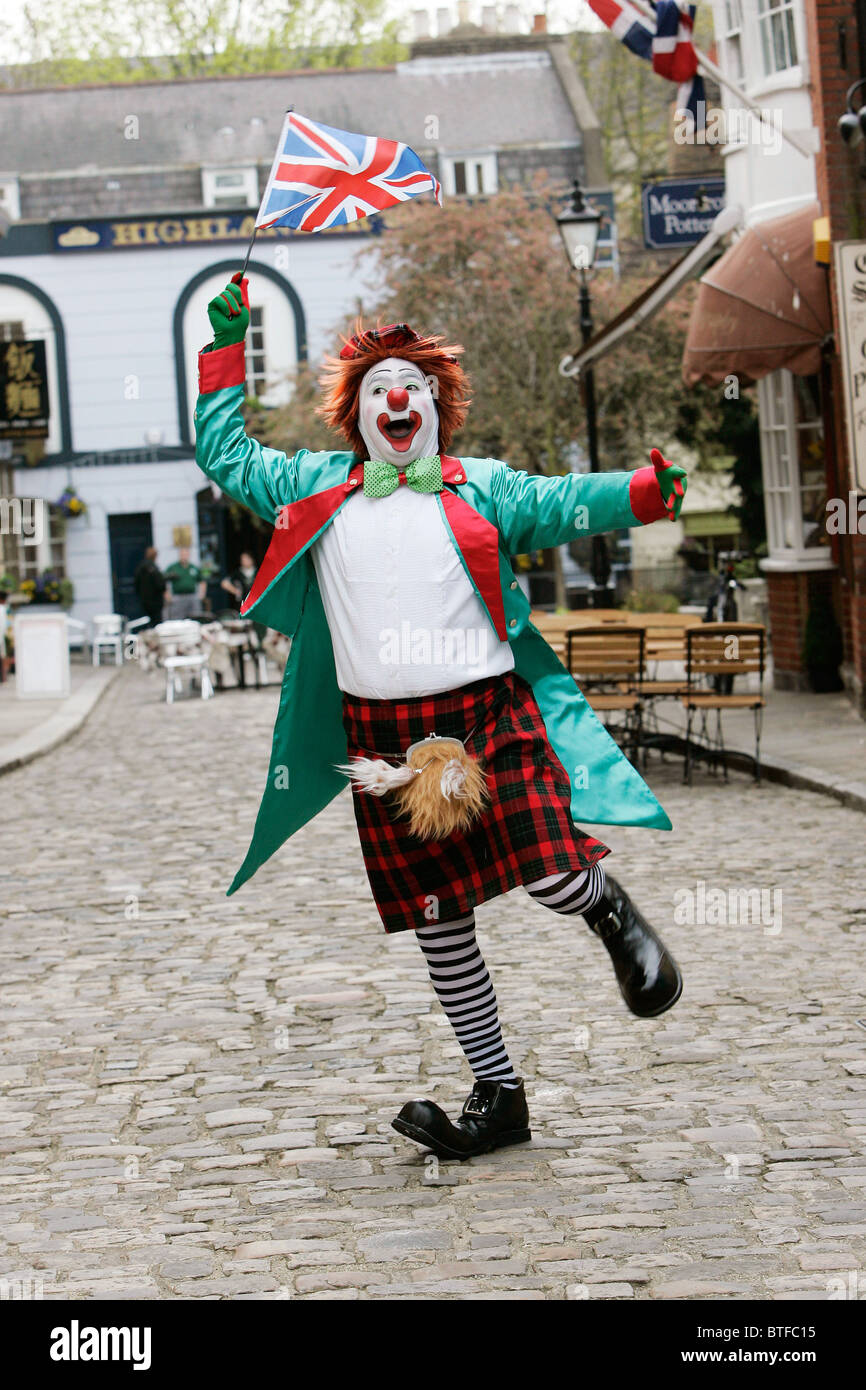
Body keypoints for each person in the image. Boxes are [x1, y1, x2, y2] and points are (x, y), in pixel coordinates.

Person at [195, 275, 688, 1161]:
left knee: (550, 873)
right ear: (357, 412)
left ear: (435, 405)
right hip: (384, 747)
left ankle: (612, 915)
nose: (397, 399)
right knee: (438, 922)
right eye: (381, 388)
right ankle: (498, 1096)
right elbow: (225, 454)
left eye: (412, 387)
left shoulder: (482, 485)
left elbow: (566, 498)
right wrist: (224, 347)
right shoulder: (313, 485)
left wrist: (647, 492)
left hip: (487, 719)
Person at [164, 547, 205, 620]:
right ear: (179, 555)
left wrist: (201, 594)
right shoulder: (173, 567)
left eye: (186, 554)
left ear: (189, 555)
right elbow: (164, 581)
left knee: (196, 618)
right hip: (178, 597)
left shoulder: (193, 567)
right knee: (178, 619)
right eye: (182, 554)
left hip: (192, 597)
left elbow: (202, 581)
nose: (184, 556)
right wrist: (167, 594)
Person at [133, 547, 166, 628]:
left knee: (146, 621)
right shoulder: (154, 569)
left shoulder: (140, 567)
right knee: (157, 623)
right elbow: (160, 585)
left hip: (144, 600)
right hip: (156, 601)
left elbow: (136, 583)